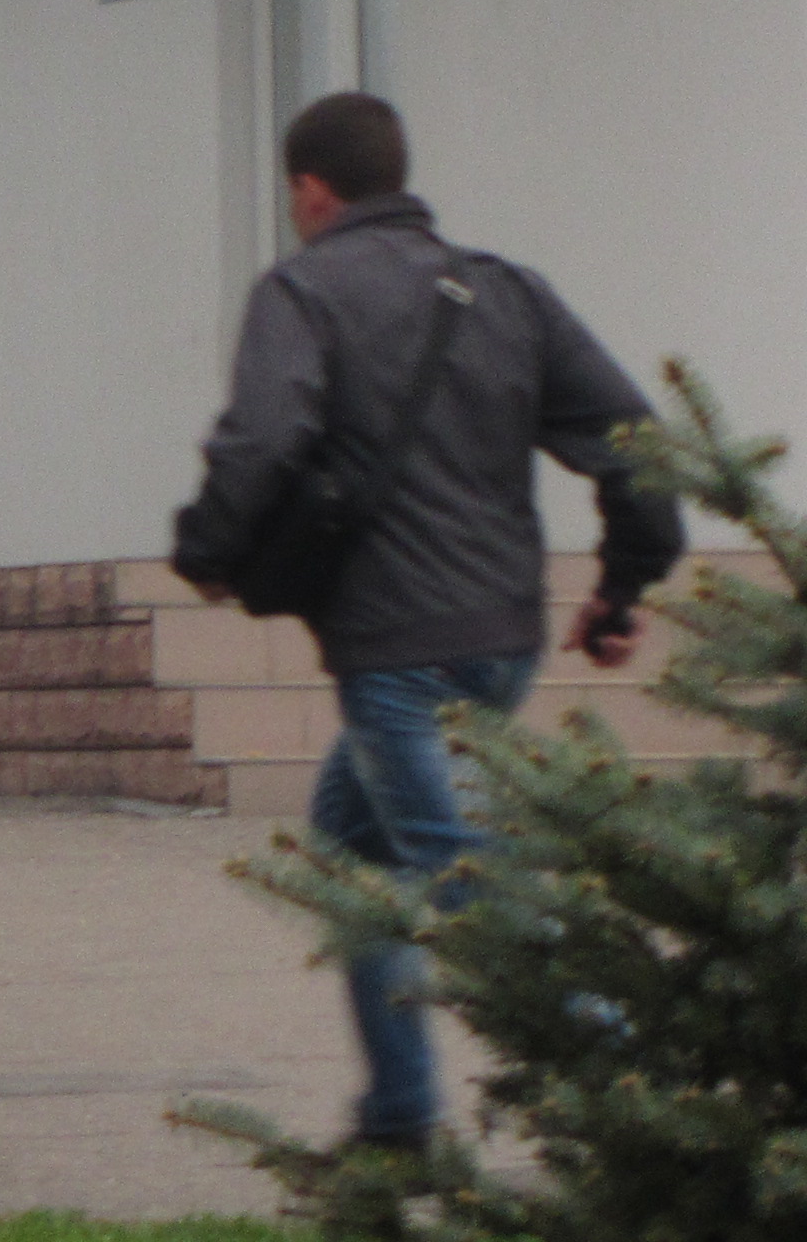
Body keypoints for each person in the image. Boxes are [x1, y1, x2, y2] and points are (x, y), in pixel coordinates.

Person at [172, 90, 681, 1155]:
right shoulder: (502, 292)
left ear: (311, 191)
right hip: (500, 636)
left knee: (458, 874)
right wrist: (623, 585)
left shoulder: (301, 291)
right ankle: (399, 1116)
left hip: (393, 648)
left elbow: (262, 439)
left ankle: (645, 1077)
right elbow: (635, 441)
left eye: (294, 195)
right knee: (350, 850)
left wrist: (208, 555)